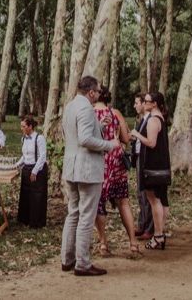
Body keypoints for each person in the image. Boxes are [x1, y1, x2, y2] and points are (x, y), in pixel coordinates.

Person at [60, 75, 120, 277]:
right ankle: (83, 264)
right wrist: (110, 145)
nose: (99, 94)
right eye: (98, 91)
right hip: (86, 169)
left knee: (73, 213)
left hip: (71, 167)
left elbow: (75, 135)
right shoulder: (86, 107)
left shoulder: (70, 106)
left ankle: (67, 259)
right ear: (91, 92)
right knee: (86, 216)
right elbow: (85, 139)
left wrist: (100, 126)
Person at [92, 86, 140, 258]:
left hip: (98, 162)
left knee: (99, 202)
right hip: (117, 162)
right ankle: (133, 244)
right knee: (123, 202)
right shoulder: (115, 113)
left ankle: (103, 242)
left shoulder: (90, 114)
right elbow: (126, 139)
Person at [130, 91, 171, 251]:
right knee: (161, 200)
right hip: (161, 165)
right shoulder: (161, 117)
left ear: (154, 104)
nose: (144, 103)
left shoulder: (153, 120)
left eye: (147, 101)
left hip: (153, 166)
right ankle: (160, 233)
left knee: (154, 200)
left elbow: (151, 143)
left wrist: (137, 134)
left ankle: (158, 235)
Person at [15, 115, 48, 228]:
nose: (21, 128)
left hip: (38, 170)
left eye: (23, 126)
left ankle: (36, 222)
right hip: (26, 169)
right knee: (26, 194)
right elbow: (25, 156)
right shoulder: (23, 138)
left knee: (37, 196)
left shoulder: (39, 138)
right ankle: (25, 220)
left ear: (30, 126)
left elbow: (42, 156)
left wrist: (34, 171)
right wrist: (16, 165)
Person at [132, 93, 154, 239]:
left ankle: (149, 228)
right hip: (139, 157)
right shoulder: (141, 120)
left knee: (147, 194)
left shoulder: (151, 120)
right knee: (140, 193)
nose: (135, 106)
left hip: (147, 160)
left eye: (137, 103)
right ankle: (142, 224)